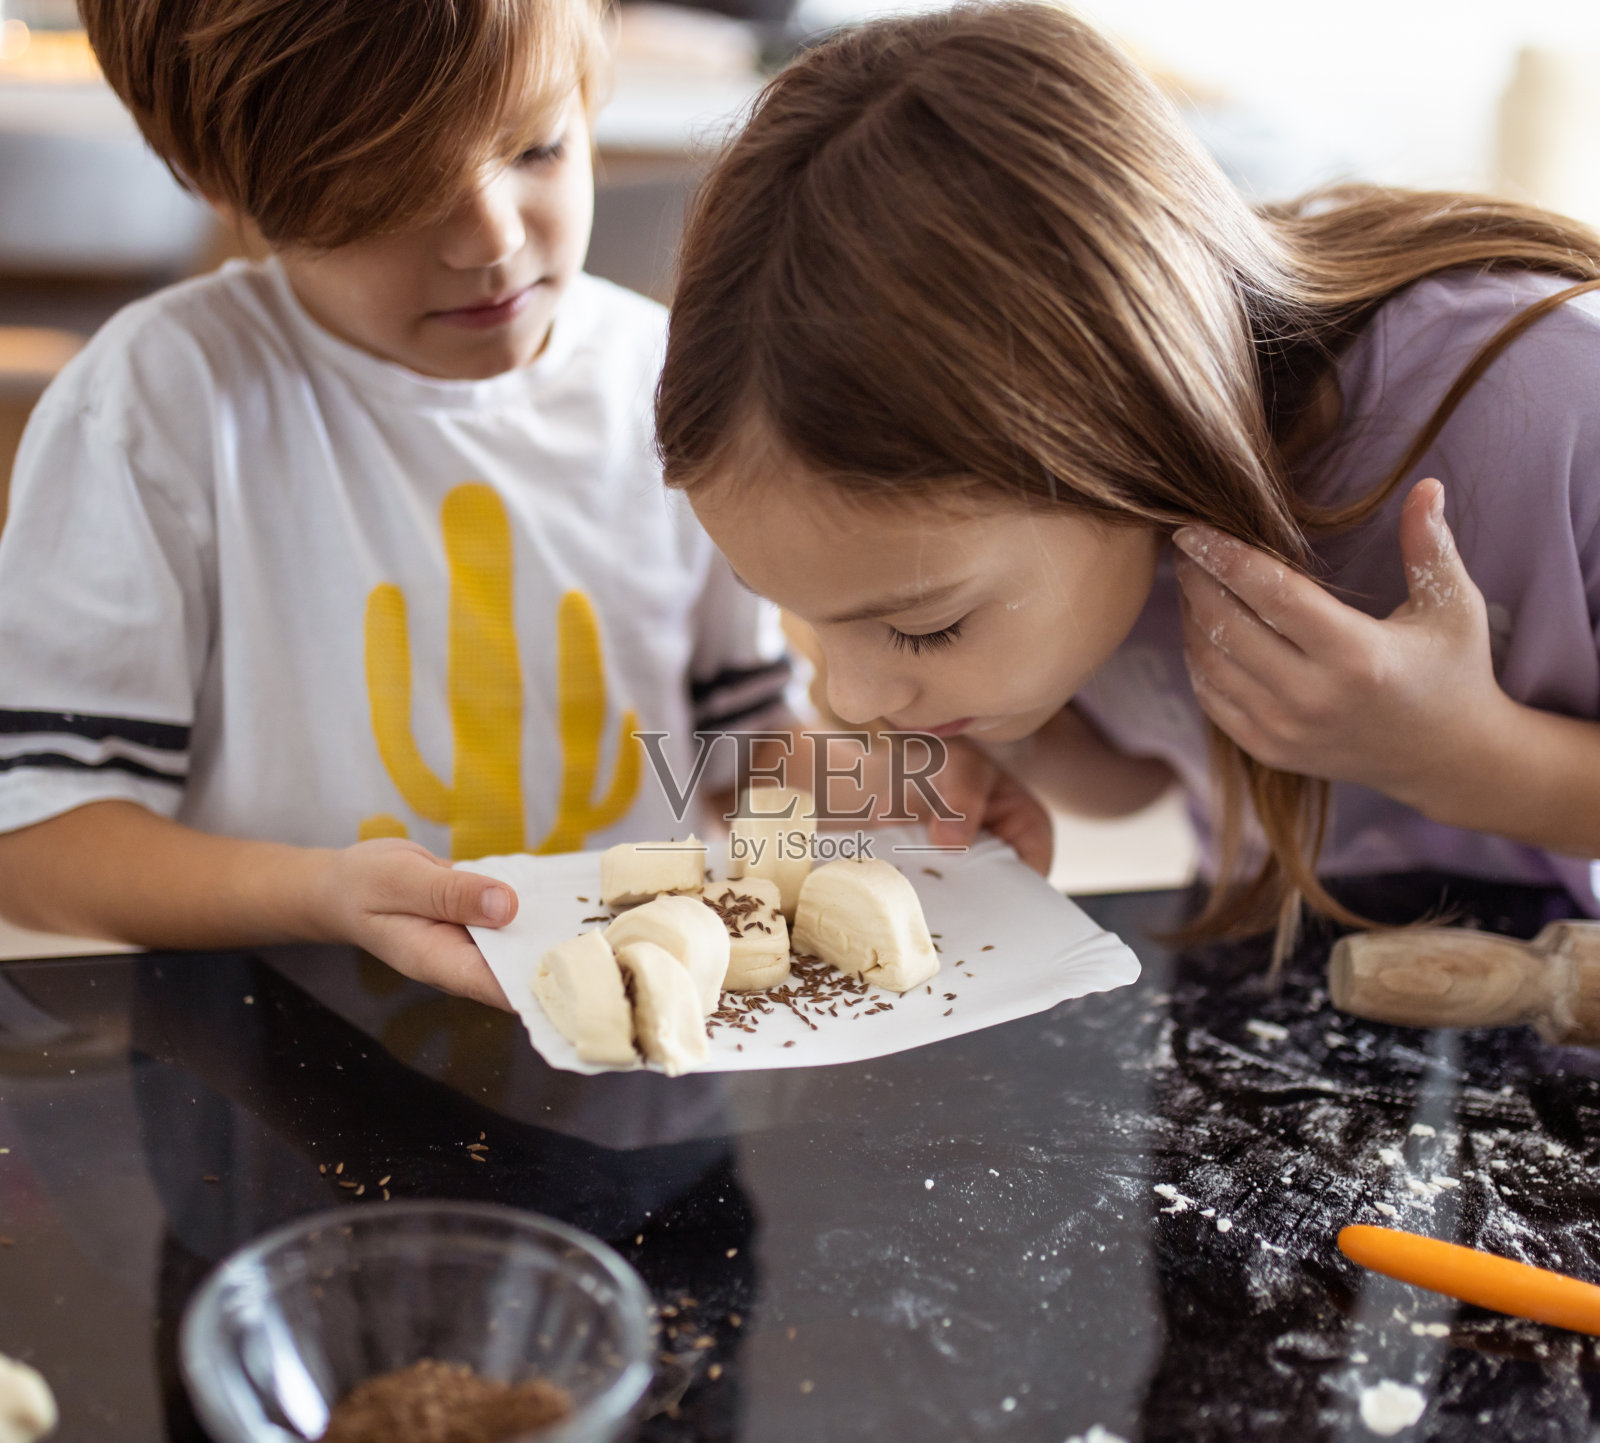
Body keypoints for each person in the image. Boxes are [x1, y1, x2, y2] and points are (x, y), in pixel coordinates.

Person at [0, 0, 1046, 1004]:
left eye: (537, 147)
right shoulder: (161, 406)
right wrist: (323, 895)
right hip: (275, 1071)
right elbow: (35, 837)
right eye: (392, 193)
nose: (489, 238)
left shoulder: (676, 384)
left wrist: (891, 789)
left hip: (645, 1070)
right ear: (236, 188)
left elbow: (731, 748)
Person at [656, 1, 1600, 963]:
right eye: (814, 620)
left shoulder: (1554, 402)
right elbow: (1143, 772)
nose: (853, 696)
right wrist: (1005, 745)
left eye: (924, 626)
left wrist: (1458, 757)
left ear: (1126, 422)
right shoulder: (1092, 531)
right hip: (1272, 980)